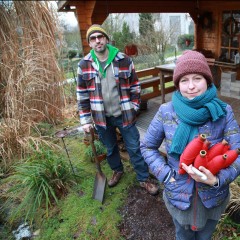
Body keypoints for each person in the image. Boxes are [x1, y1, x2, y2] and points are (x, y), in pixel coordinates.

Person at [140, 50, 240, 239]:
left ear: (208, 81)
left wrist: (217, 180)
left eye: (197, 78)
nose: (191, 86)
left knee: (205, 235)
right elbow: (147, 146)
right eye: (184, 80)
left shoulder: (223, 111)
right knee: (182, 234)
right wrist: (166, 175)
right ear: (177, 84)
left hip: (212, 197)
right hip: (178, 195)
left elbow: (238, 153)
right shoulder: (166, 111)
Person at [76, 24, 159, 195]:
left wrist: (134, 107)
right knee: (110, 147)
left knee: (134, 147)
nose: (97, 40)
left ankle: (143, 178)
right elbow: (82, 95)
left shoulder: (124, 60)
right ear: (90, 43)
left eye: (100, 37)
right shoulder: (84, 65)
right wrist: (85, 120)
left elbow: (135, 86)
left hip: (125, 115)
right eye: (93, 38)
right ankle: (117, 170)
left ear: (106, 39)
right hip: (101, 118)